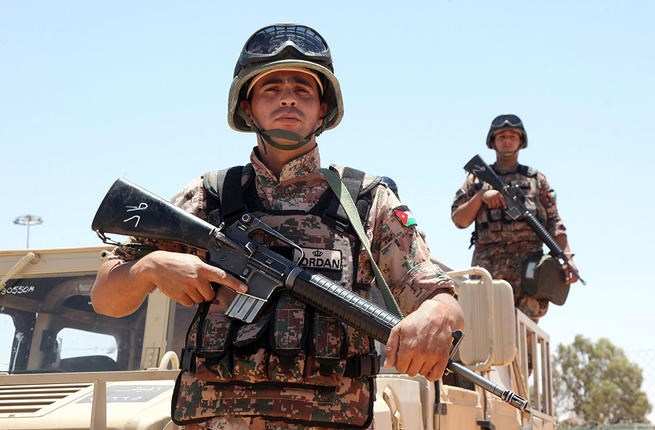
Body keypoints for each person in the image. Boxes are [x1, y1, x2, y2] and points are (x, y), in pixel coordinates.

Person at [91, 24, 464, 429]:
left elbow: (442, 300)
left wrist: (437, 314)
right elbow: (107, 298)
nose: (288, 97)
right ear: (247, 107)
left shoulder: (366, 201)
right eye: (271, 88)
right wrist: (151, 267)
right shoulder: (208, 197)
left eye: (303, 89)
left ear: (323, 109)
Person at [451, 113, 579, 323]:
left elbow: (554, 222)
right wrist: (481, 196)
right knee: (488, 331)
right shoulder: (476, 180)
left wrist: (567, 258)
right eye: (502, 136)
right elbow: (459, 220)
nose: (507, 141)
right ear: (493, 141)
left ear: (521, 141)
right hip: (488, 268)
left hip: (529, 271)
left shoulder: (536, 180)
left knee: (525, 333)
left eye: (512, 136)